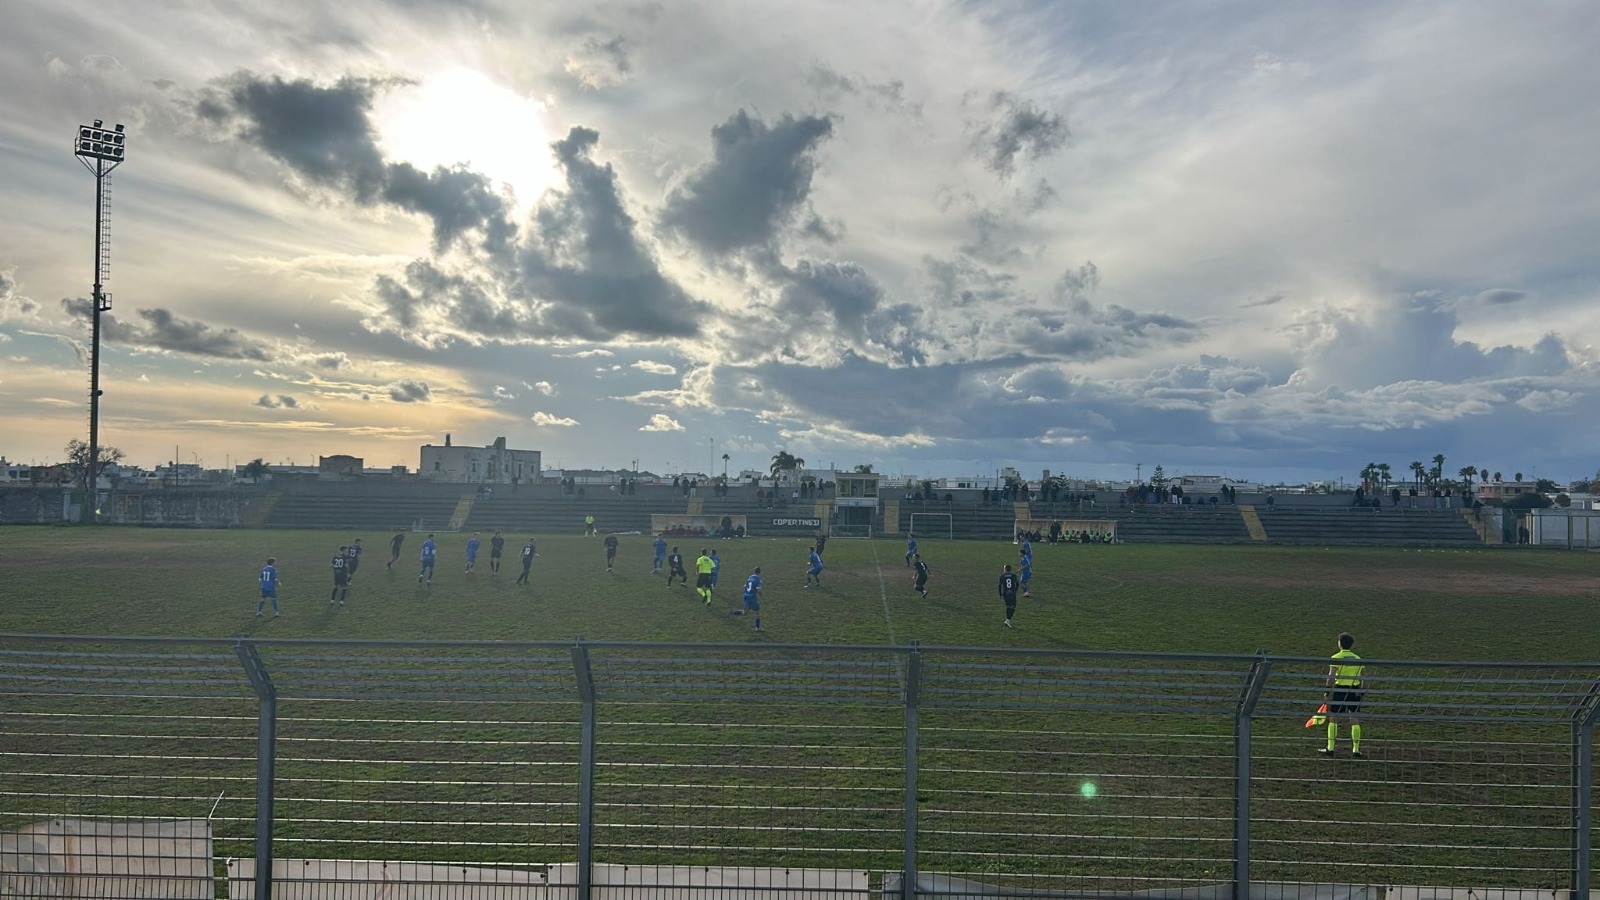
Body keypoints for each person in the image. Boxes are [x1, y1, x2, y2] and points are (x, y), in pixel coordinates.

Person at [1321, 632, 1365, 758]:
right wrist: (1361, 692)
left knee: (1333, 718)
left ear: (1340, 644)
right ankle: (1356, 750)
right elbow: (1364, 678)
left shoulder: (1336, 657)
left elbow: (1331, 676)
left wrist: (1327, 691)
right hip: (1354, 689)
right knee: (1355, 719)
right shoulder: (1358, 659)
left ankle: (1331, 748)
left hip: (1340, 689)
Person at [741, 566, 764, 631]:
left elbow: (745, 586)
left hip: (746, 596)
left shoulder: (750, 577)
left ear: (754, 571)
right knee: (757, 613)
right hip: (752, 598)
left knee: (745, 613)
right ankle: (757, 628)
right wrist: (761, 595)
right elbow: (758, 589)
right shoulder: (758, 579)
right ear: (760, 572)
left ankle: (734, 612)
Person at [998, 563, 1020, 628]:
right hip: (1012, 592)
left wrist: (1000, 594)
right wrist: (1015, 590)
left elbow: (999, 586)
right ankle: (1008, 620)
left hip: (1006, 593)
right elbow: (1017, 583)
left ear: (1005, 569)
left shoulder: (1002, 576)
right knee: (1013, 607)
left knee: (1009, 606)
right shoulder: (1013, 575)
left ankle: (1007, 620)